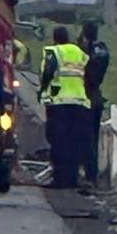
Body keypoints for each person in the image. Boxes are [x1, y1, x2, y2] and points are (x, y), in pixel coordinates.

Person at [39, 26, 92, 189]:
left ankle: (59, 179)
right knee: (74, 143)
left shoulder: (53, 52)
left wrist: (42, 90)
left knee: (58, 141)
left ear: (55, 38)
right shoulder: (79, 53)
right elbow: (88, 74)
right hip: (80, 103)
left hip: (59, 102)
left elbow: (48, 73)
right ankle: (72, 179)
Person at [80, 21, 111, 186]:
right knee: (93, 138)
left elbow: (87, 72)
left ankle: (86, 175)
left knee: (84, 138)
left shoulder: (83, 52)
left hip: (85, 99)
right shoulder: (102, 50)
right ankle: (91, 175)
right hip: (96, 98)